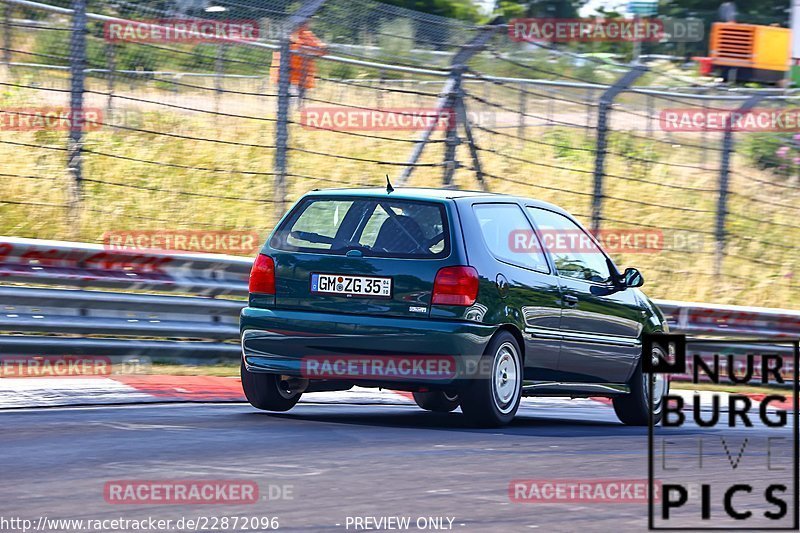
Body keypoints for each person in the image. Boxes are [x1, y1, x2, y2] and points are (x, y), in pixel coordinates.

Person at [270, 23, 327, 105]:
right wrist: (308, 50)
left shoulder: (307, 35)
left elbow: (322, 50)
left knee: (300, 104)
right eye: (305, 22)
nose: (308, 24)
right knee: (288, 102)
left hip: (303, 76)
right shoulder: (286, 35)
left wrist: (309, 50)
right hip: (286, 75)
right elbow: (295, 48)